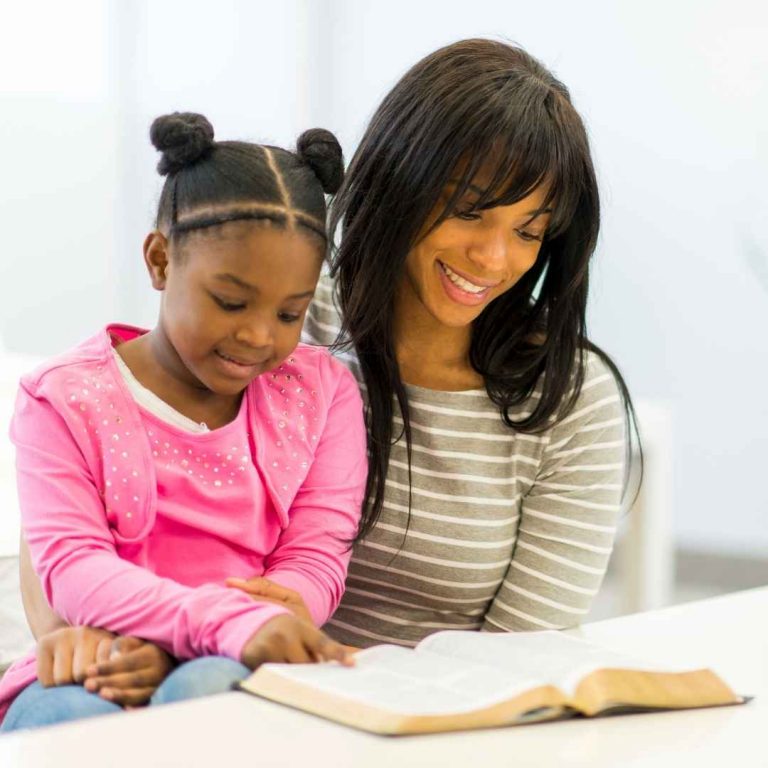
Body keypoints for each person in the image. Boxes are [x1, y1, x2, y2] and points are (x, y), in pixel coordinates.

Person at [17, 37, 638, 691]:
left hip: (408, 711)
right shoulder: (281, 322)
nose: (492, 258)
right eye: (469, 211)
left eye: (529, 231)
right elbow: (83, 496)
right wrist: (87, 640)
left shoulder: (570, 400)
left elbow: (522, 661)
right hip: (210, 673)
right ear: (403, 181)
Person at [0, 112, 367, 731]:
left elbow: (316, 556)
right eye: (230, 302)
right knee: (62, 715)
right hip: (95, 658)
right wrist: (208, 625)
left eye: (290, 313)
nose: (258, 335)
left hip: (240, 658)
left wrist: (209, 639)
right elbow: (73, 566)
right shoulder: (61, 399)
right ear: (161, 259)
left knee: (210, 692)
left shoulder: (323, 394)